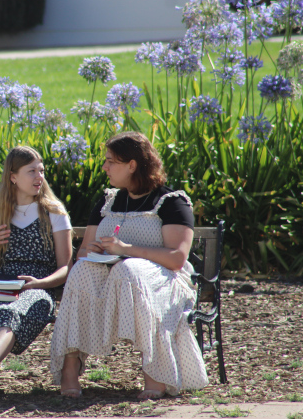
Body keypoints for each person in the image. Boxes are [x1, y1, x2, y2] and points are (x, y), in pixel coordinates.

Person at [49, 131, 209, 399]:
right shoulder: (107, 200)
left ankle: (155, 373)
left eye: (111, 161)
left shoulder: (171, 202)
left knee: (129, 269)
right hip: (111, 276)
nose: (105, 167)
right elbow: (84, 251)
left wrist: (125, 251)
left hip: (163, 279)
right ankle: (70, 365)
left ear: (132, 165)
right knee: (81, 271)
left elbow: (176, 258)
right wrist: (96, 249)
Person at [0, 146, 72, 402]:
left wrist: (39, 283)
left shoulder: (53, 211)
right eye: (31, 171)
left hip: (36, 288)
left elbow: (66, 267)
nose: (39, 177)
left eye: (41, 171)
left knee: (11, 312)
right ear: (13, 177)